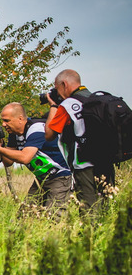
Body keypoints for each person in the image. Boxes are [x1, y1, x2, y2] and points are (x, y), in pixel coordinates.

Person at [43, 69, 113, 209]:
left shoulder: (68, 105)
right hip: (107, 162)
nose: (57, 94)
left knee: (89, 208)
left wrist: (53, 105)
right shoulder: (98, 100)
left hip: (83, 165)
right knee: (107, 206)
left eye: (57, 89)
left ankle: (91, 231)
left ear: (64, 84)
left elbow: (49, 134)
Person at [0, 103, 72, 211]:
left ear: (20, 119)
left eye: (6, 120)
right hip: (41, 179)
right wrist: (0, 145)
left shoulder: (37, 129)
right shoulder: (14, 132)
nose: (3, 124)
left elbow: (25, 158)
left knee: (54, 218)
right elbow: (8, 162)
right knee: (25, 216)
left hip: (60, 176)